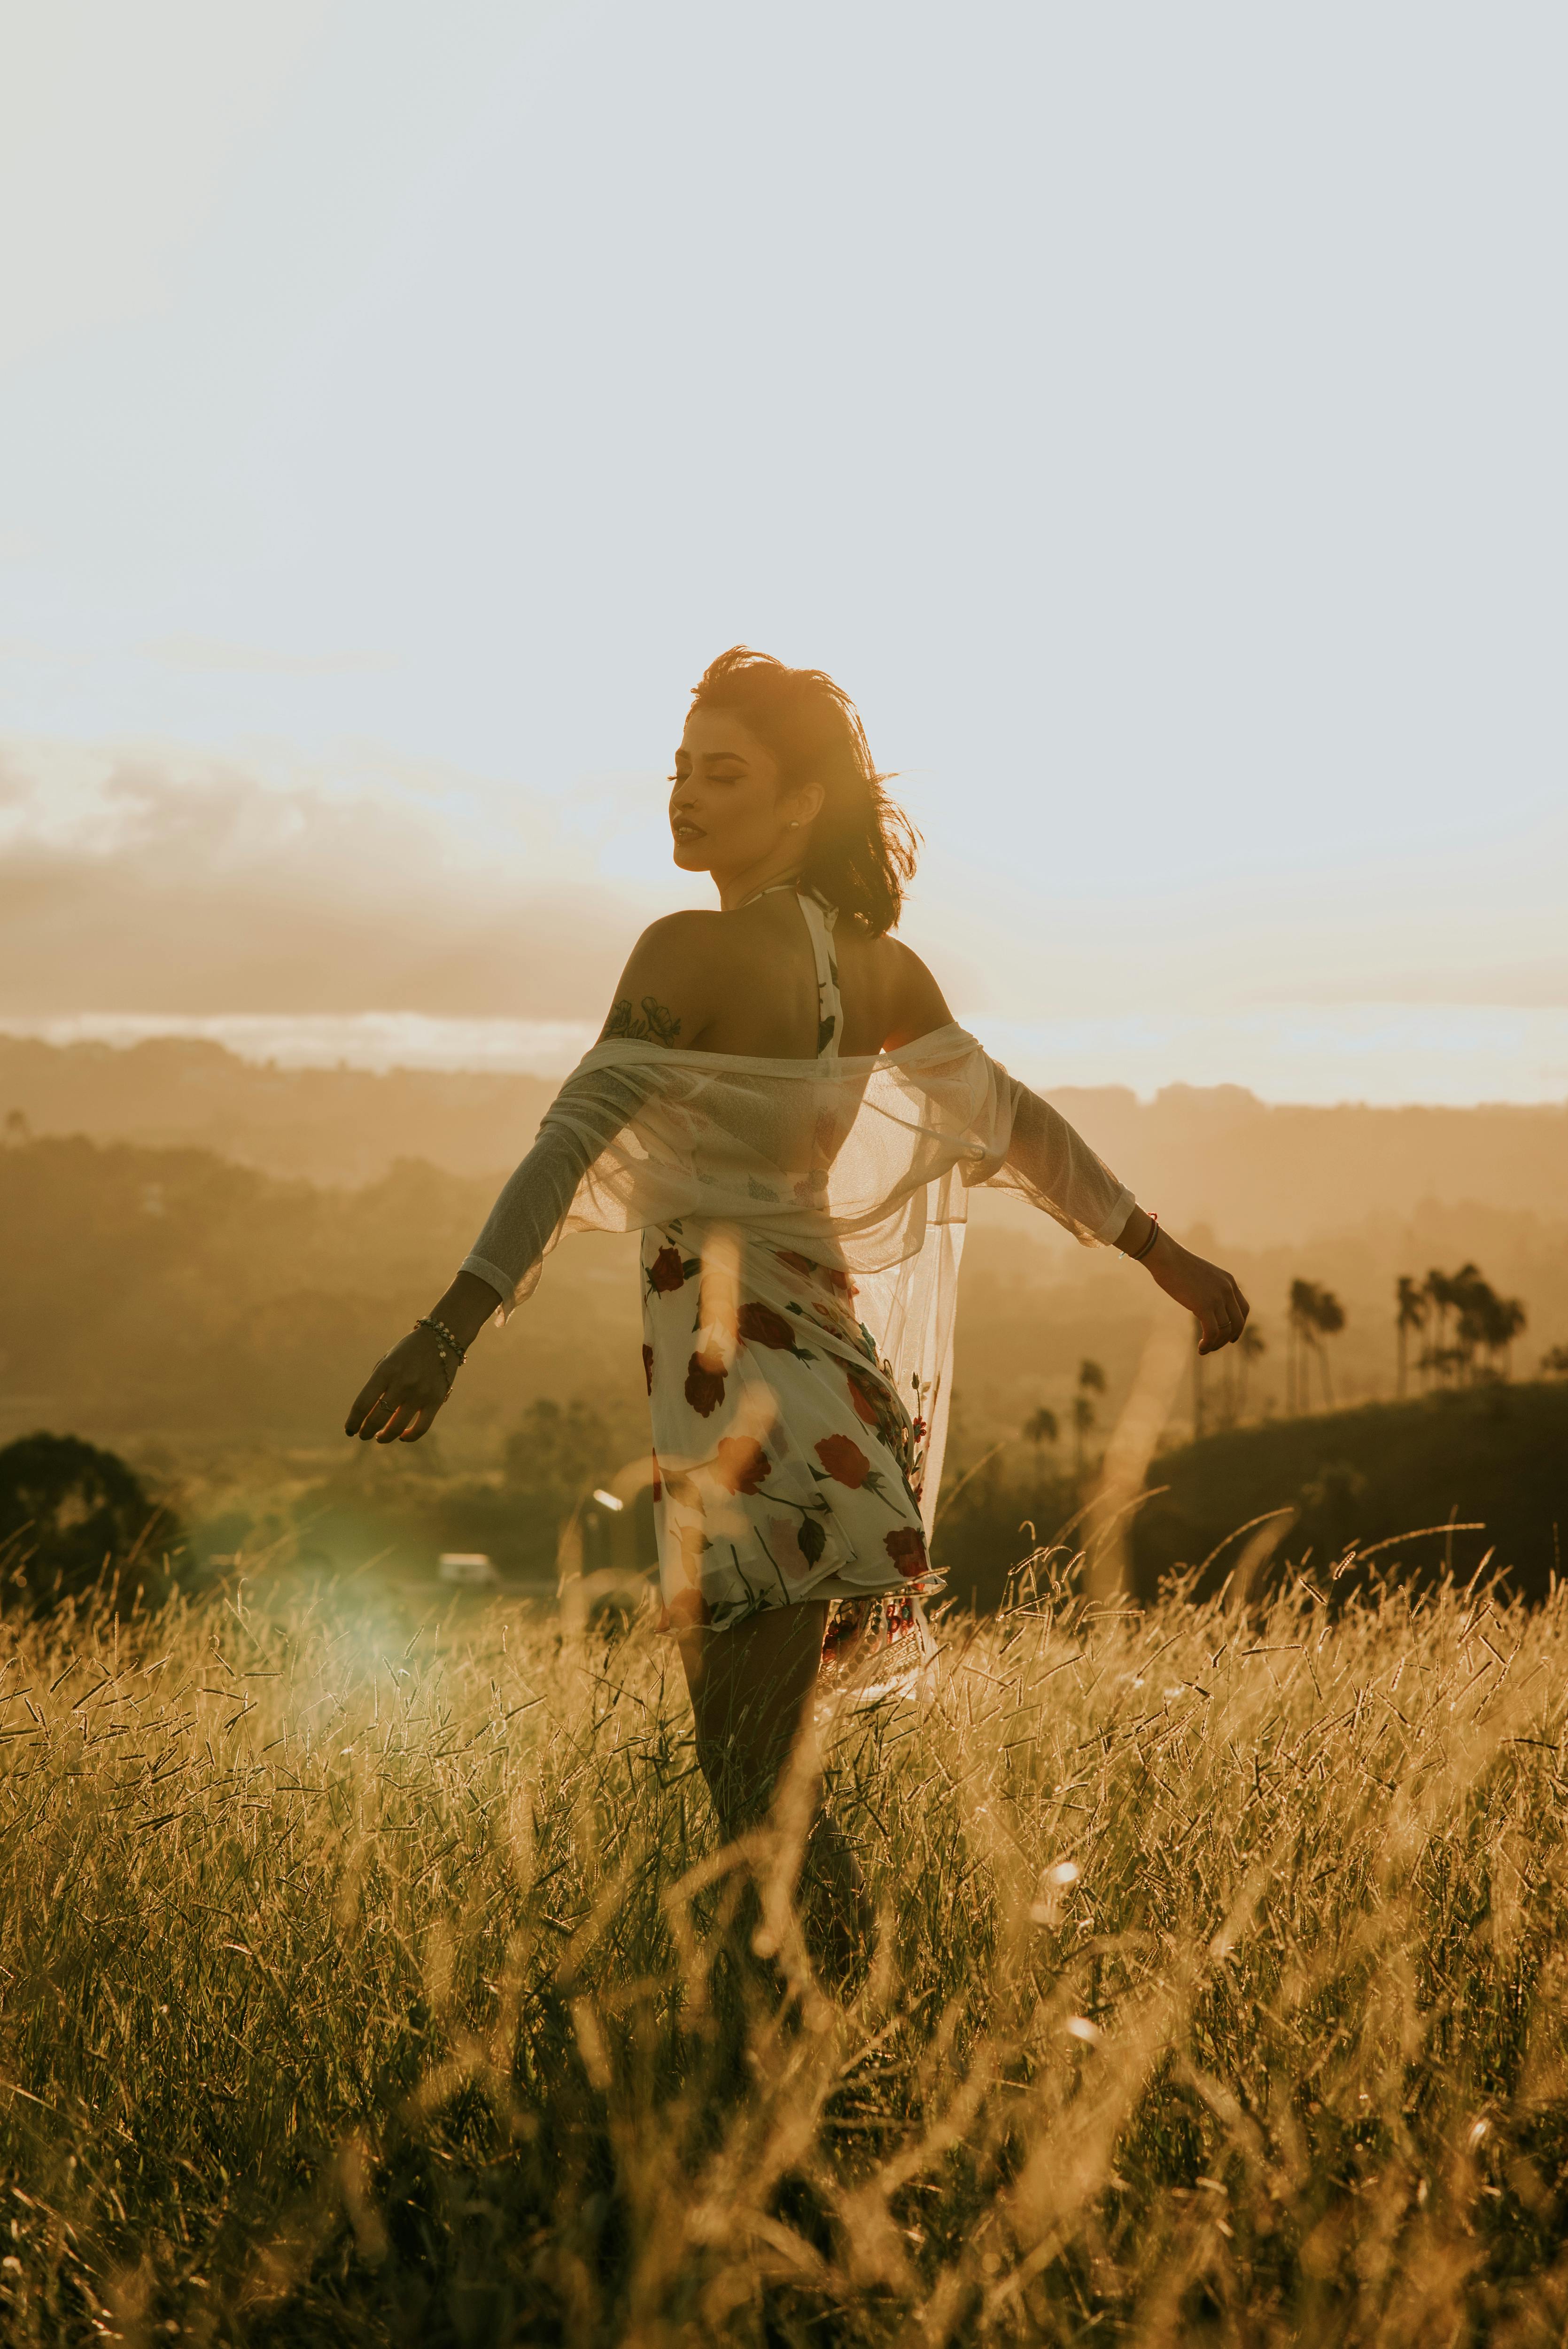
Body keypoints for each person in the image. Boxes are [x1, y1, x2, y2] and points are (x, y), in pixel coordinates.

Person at [345, 647, 1249, 1929]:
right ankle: (807, 2042)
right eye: (680, 769)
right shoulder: (877, 968)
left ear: (797, 803)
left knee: (753, 1802)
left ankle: (836, 2043)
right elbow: (1018, 1124)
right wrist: (1164, 1255)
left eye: (726, 772)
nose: (687, 795)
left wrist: (449, 1328)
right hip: (824, 1408)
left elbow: (568, 1143)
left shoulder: (687, 951)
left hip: (757, 1414)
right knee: (748, 1791)